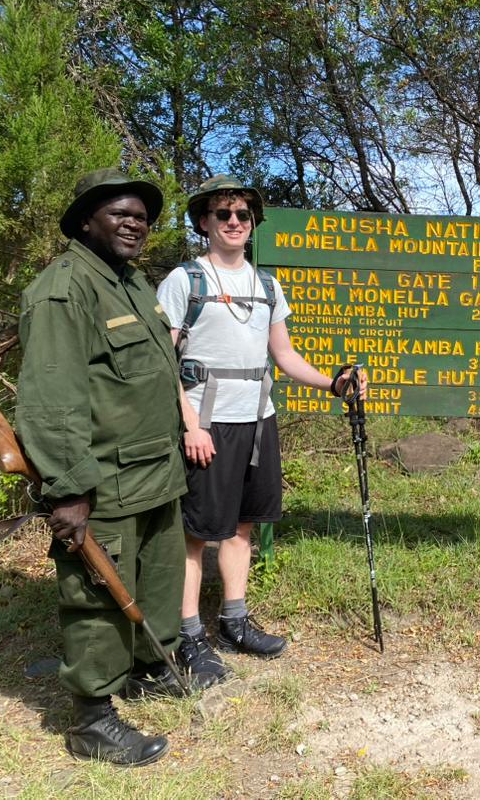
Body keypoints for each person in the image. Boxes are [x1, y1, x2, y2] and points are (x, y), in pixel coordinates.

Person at [17, 168, 202, 766]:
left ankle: (150, 668)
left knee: (158, 577)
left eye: (143, 216)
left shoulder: (131, 283)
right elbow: (52, 398)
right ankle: (92, 718)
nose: (135, 223)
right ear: (85, 221)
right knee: (98, 595)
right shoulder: (63, 290)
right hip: (104, 482)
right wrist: (68, 491)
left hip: (155, 472)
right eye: (121, 213)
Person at [157, 175, 365, 684]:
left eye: (243, 215)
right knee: (195, 535)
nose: (233, 222)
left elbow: (285, 355)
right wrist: (189, 426)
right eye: (223, 214)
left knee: (244, 525)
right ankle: (188, 637)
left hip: (257, 420)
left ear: (253, 225)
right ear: (204, 222)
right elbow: (161, 360)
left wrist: (332, 384)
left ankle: (233, 621)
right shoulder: (186, 280)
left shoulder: (267, 286)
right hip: (206, 424)